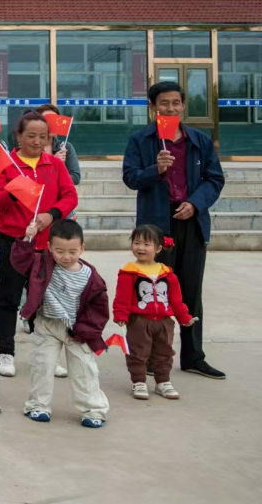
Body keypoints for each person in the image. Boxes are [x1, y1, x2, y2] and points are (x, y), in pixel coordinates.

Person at [122, 80, 225, 380]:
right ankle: (150, 356)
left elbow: (214, 179)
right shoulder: (141, 139)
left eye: (175, 103)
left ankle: (193, 356)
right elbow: (130, 177)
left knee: (190, 292)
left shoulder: (199, 140)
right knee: (153, 291)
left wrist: (195, 203)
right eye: (163, 103)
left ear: (183, 105)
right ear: (153, 107)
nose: (170, 108)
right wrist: (156, 169)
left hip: (191, 221)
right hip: (156, 226)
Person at [0, 112, 78, 378]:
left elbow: (70, 196)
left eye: (43, 136)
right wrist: (15, 192)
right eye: (31, 136)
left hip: (46, 244)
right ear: (19, 136)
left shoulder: (55, 164)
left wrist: (52, 215)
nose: (37, 141)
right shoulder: (7, 164)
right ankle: (6, 352)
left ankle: (46, 354)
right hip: (14, 242)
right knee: (9, 298)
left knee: (46, 300)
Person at [14, 220, 110, 428]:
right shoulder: (41, 264)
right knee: (42, 366)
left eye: (72, 251)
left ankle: (94, 410)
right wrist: (27, 238)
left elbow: (99, 308)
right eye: (59, 251)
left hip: (78, 330)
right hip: (47, 325)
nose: (66, 256)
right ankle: (38, 405)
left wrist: (87, 330)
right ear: (49, 247)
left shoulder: (91, 277)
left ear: (82, 248)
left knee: (84, 370)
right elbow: (20, 262)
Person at [112, 224, 197, 401]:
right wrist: (121, 314)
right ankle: (139, 381)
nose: (140, 248)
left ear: (158, 248)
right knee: (137, 352)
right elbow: (122, 297)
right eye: (136, 243)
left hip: (164, 323)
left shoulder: (167, 274)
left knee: (164, 352)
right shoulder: (128, 272)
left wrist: (184, 317)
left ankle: (163, 382)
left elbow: (176, 300)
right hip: (139, 321)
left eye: (146, 244)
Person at [37, 104, 81, 187]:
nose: (51, 124)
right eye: (48, 120)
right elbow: (31, 176)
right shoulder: (31, 148)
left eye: (55, 120)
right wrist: (53, 162)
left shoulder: (66, 147)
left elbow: (75, 178)